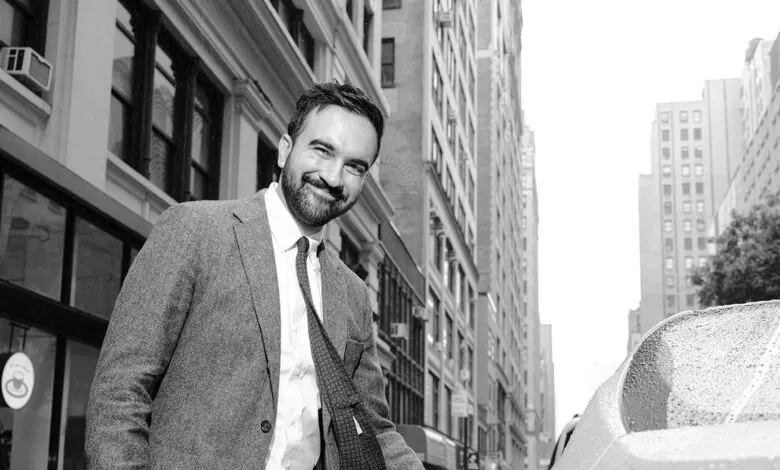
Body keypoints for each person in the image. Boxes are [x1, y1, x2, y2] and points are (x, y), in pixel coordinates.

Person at [85, 82, 424, 470]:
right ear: (284, 150)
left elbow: (373, 428)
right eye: (322, 149)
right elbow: (121, 390)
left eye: (354, 167)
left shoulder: (352, 293)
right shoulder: (194, 230)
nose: (333, 177)